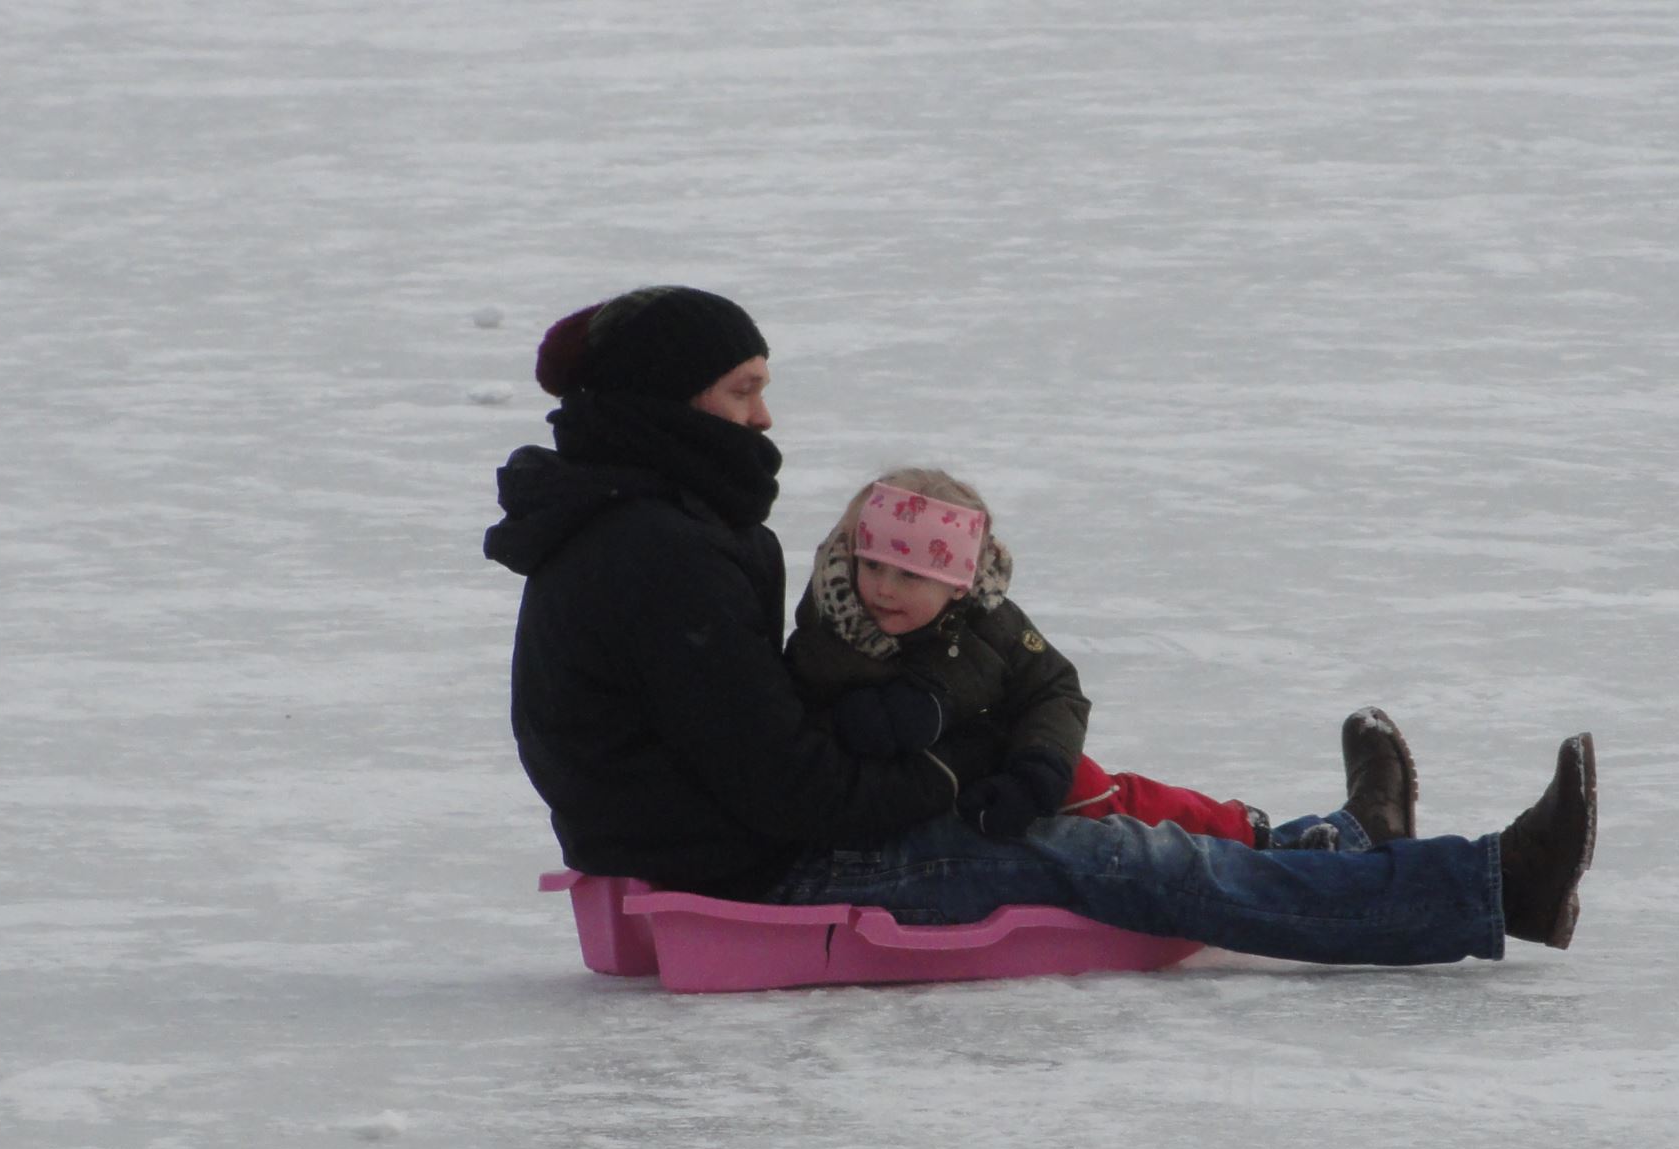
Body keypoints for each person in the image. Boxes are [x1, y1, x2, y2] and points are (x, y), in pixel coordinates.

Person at [484, 285, 1596, 965]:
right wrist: (949, 777)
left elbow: (763, 743)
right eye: (740, 389)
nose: (765, 417)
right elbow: (782, 783)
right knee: (1117, 857)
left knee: (1107, 813)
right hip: (759, 874)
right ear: (669, 399)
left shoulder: (649, 525)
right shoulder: (657, 554)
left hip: (729, 846)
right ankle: (1490, 886)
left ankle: (1351, 846)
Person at [786, 464, 1362, 850]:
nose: (884, 588)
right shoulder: (829, 629)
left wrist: (1036, 769)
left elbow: (1055, 688)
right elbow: (800, 703)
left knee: (1105, 794)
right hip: (930, 797)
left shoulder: (993, 626)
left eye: (910, 574)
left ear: (957, 585)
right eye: (873, 565)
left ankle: (1251, 836)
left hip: (1011, 770)